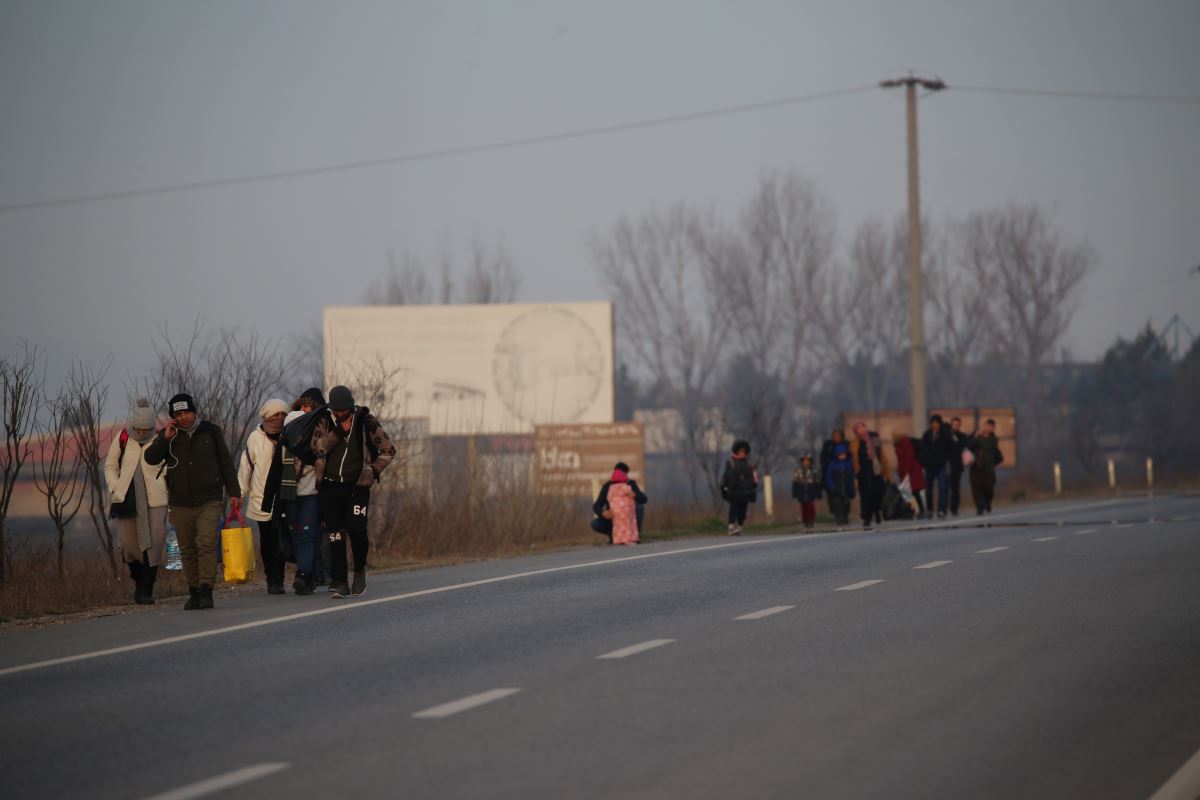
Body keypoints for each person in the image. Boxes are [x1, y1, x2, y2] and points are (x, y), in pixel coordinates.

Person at [144, 393, 241, 610]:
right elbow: (150, 458)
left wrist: (234, 492)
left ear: (194, 411)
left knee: (206, 543)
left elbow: (226, 462)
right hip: (180, 502)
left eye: (187, 412)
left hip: (209, 499)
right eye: (179, 414)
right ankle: (194, 591)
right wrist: (164, 439)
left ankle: (207, 590)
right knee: (187, 548)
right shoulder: (169, 435)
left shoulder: (210, 431)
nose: (184, 417)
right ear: (173, 417)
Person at [311, 385, 395, 599]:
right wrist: (338, 432)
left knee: (357, 530)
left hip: (357, 487)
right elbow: (317, 448)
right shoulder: (324, 420)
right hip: (330, 486)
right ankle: (340, 582)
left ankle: (359, 571)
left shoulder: (365, 420)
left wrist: (373, 471)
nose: (340, 415)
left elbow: (388, 449)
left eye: (344, 412)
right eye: (337, 412)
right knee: (335, 535)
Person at [104, 398, 169, 604]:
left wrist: (167, 487)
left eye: (146, 429)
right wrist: (115, 487)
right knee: (129, 546)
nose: (141, 433)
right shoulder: (122, 437)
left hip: (156, 500)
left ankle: (146, 589)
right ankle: (138, 580)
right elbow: (110, 466)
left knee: (154, 545)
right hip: (126, 500)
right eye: (138, 429)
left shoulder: (160, 439)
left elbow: (169, 466)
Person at [238, 399, 292, 595]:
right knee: (268, 541)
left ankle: (281, 577)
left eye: (283, 415)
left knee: (282, 540)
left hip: (286, 497)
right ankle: (271, 578)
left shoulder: (291, 435)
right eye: (275, 415)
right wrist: (240, 492)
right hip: (261, 499)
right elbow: (246, 466)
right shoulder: (255, 437)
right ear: (266, 417)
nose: (279, 418)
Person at [292, 388, 329, 587]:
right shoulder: (290, 429)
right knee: (299, 535)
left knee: (310, 533)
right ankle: (311, 573)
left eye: (309, 406)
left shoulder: (325, 428)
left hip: (315, 491)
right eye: (302, 406)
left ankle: (308, 575)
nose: (305, 410)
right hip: (290, 492)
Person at [282, 408, 321, 595]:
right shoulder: (283, 446)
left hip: (311, 495)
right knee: (296, 536)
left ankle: (303, 574)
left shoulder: (315, 446)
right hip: (289, 497)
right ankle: (309, 576)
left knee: (306, 534)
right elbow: (272, 475)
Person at [591, 461, 647, 543]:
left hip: (628, 519)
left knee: (639, 507)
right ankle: (613, 535)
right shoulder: (607, 486)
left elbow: (644, 499)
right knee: (595, 524)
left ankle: (634, 533)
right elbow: (596, 506)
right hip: (613, 518)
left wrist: (635, 495)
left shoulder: (630, 484)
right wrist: (603, 513)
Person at [850, 422, 891, 529]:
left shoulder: (874, 438)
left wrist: (888, 474)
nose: (862, 430)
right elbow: (853, 459)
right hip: (863, 472)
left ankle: (877, 512)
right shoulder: (854, 443)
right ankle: (866, 518)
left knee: (878, 493)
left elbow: (881, 455)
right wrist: (855, 473)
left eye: (863, 428)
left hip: (876, 470)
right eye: (859, 429)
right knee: (865, 496)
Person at [720, 440, 758, 536]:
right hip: (733, 491)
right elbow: (726, 476)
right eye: (740, 451)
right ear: (736, 451)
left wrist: (753, 486)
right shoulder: (730, 463)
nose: (741, 452)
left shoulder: (749, 464)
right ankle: (731, 527)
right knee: (733, 508)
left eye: (743, 451)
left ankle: (739, 526)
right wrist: (724, 487)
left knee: (743, 511)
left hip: (745, 491)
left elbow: (754, 477)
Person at [968, 419, 1005, 515]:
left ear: (993, 429)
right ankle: (979, 507)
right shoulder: (975, 436)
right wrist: (975, 437)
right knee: (976, 488)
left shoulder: (993, 440)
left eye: (991, 427)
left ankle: (987, 502)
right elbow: (969, 446)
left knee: (989, 488)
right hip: (976, 467)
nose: (988, 428)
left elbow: (991, 448)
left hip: (988, 468)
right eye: (987, 426)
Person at [921, 414, 953, 519]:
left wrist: (945, 458)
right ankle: (930, 509)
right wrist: (924, 462)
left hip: (941, 466)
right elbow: (923, 449)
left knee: (943, 488)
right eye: (933, 423)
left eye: (937, 423)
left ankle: (942, 510)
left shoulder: (945, 434)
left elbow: (950, 447)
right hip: (929, 466)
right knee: (928, 489)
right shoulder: (927, 435)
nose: (934, 425)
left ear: (940, 424)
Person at [891, 431, 928, 519]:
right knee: (907, 492)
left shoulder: (905, 442)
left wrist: (907, 472)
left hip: (912, 471)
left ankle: (920, 510)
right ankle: (911, 510)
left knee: (914, 491)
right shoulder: (897, 444)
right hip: (905, 471)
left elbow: (909, 456)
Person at [604, 468, 640, 545]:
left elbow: (608, 498)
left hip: (615, 510)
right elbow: (632, 494)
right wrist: (634, 495)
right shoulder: (625, 487)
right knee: (628, 524)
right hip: (626, 509)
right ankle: (629, 539)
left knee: (617, 526)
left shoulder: (611, 488)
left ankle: (618, 540)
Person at [824, 444, 856, 526]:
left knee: (846, 504)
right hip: (836, 489)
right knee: (837, 504)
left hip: (846, 488)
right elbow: (829, 477)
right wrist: (831, 486)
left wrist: (852, 488)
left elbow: (852, 477)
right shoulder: (832, 465)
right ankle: (839, 518)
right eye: (840, 454)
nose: (842, 456)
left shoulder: (848, 465)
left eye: (844, 454)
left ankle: (845, 517)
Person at [819, 428, 846, 516]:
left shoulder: (845, 444)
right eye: (835, 435)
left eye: (838, 435)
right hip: (830, 472)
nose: (836, 437)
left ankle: (843, 513)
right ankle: (834, 510)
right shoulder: (828, 444)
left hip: (842, 472)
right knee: (831, 493)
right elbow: (822, 458)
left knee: (843, 495)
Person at [791, 453, 822, 529]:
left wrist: (818, 493)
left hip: (811, 490)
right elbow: (795, 482)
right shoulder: (798, 470)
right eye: (804, 461)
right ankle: (805, 520)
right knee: (804, 507)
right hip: (801, 491)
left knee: (811, 506)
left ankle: (811, 520)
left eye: (807, 461)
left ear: (810, 461)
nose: (806, 462)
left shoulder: (814, 470)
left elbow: (818, 482)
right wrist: (795, 493)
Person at [947, 416, 968, 516]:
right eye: (954, 424)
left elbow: (961, 446)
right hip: (947, 465)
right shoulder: (946, 435)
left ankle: (954, 508)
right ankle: (943, 508)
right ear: (951, 425)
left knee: (955, 488)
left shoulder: (962, 436)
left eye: (957, 425)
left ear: (959, 426)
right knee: (945, 488)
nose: (955, 426)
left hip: (957, 466)